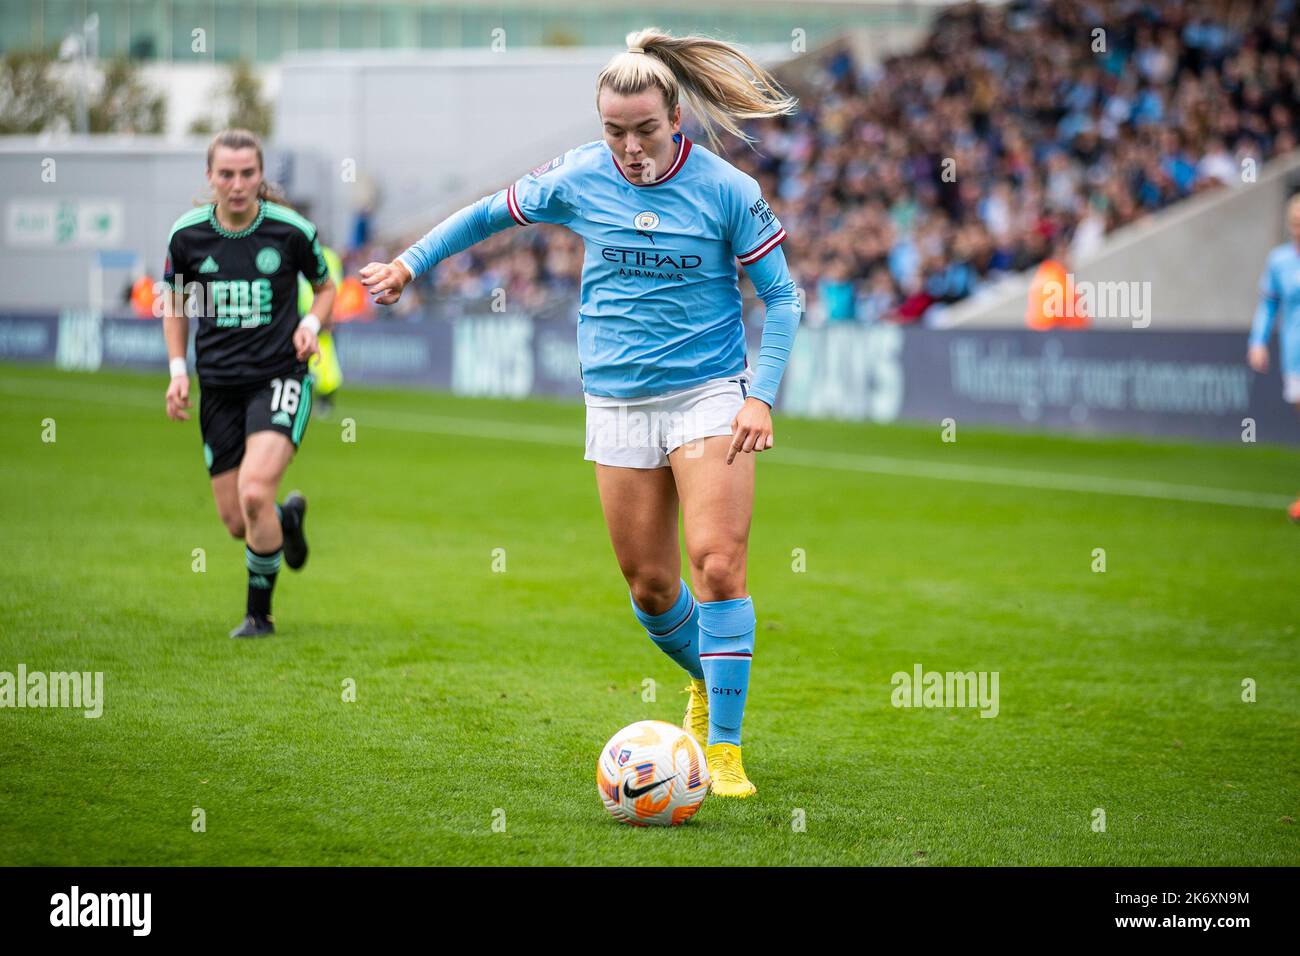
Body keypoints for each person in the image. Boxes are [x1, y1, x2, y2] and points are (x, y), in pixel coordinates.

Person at [360, 28, 800, 798]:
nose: (630, 148)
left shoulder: (728, 190)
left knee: (718, 565)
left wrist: (760, 393)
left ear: (676, 120)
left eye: (645, 131)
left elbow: (784, 298)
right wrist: (407, 265)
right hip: (617, 403)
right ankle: (711, 676)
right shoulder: (580, 175)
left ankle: (723, 752)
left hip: (708, 396)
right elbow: (482, 217)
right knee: (652, 589)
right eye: (614, 131)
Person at [163, 128, 336, 637]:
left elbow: (326, 287)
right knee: (239, 519)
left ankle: (259, 617)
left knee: (255, 492)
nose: (237, 184)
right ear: (210, 177)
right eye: (226, 174)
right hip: (218, 387)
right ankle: (287, 523)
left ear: (261, 176)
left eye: (247, 174)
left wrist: (310, 325)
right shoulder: (187, 236)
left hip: (279, 377)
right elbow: (172, 304)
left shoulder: (291, 230)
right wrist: (178, 372)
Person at [1247, 193, 1300, 522]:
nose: (1298, 227)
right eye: (1294, 221)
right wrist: (1258, 341)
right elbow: (1269, 305)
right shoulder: (1279, 260)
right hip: (1295, 354)